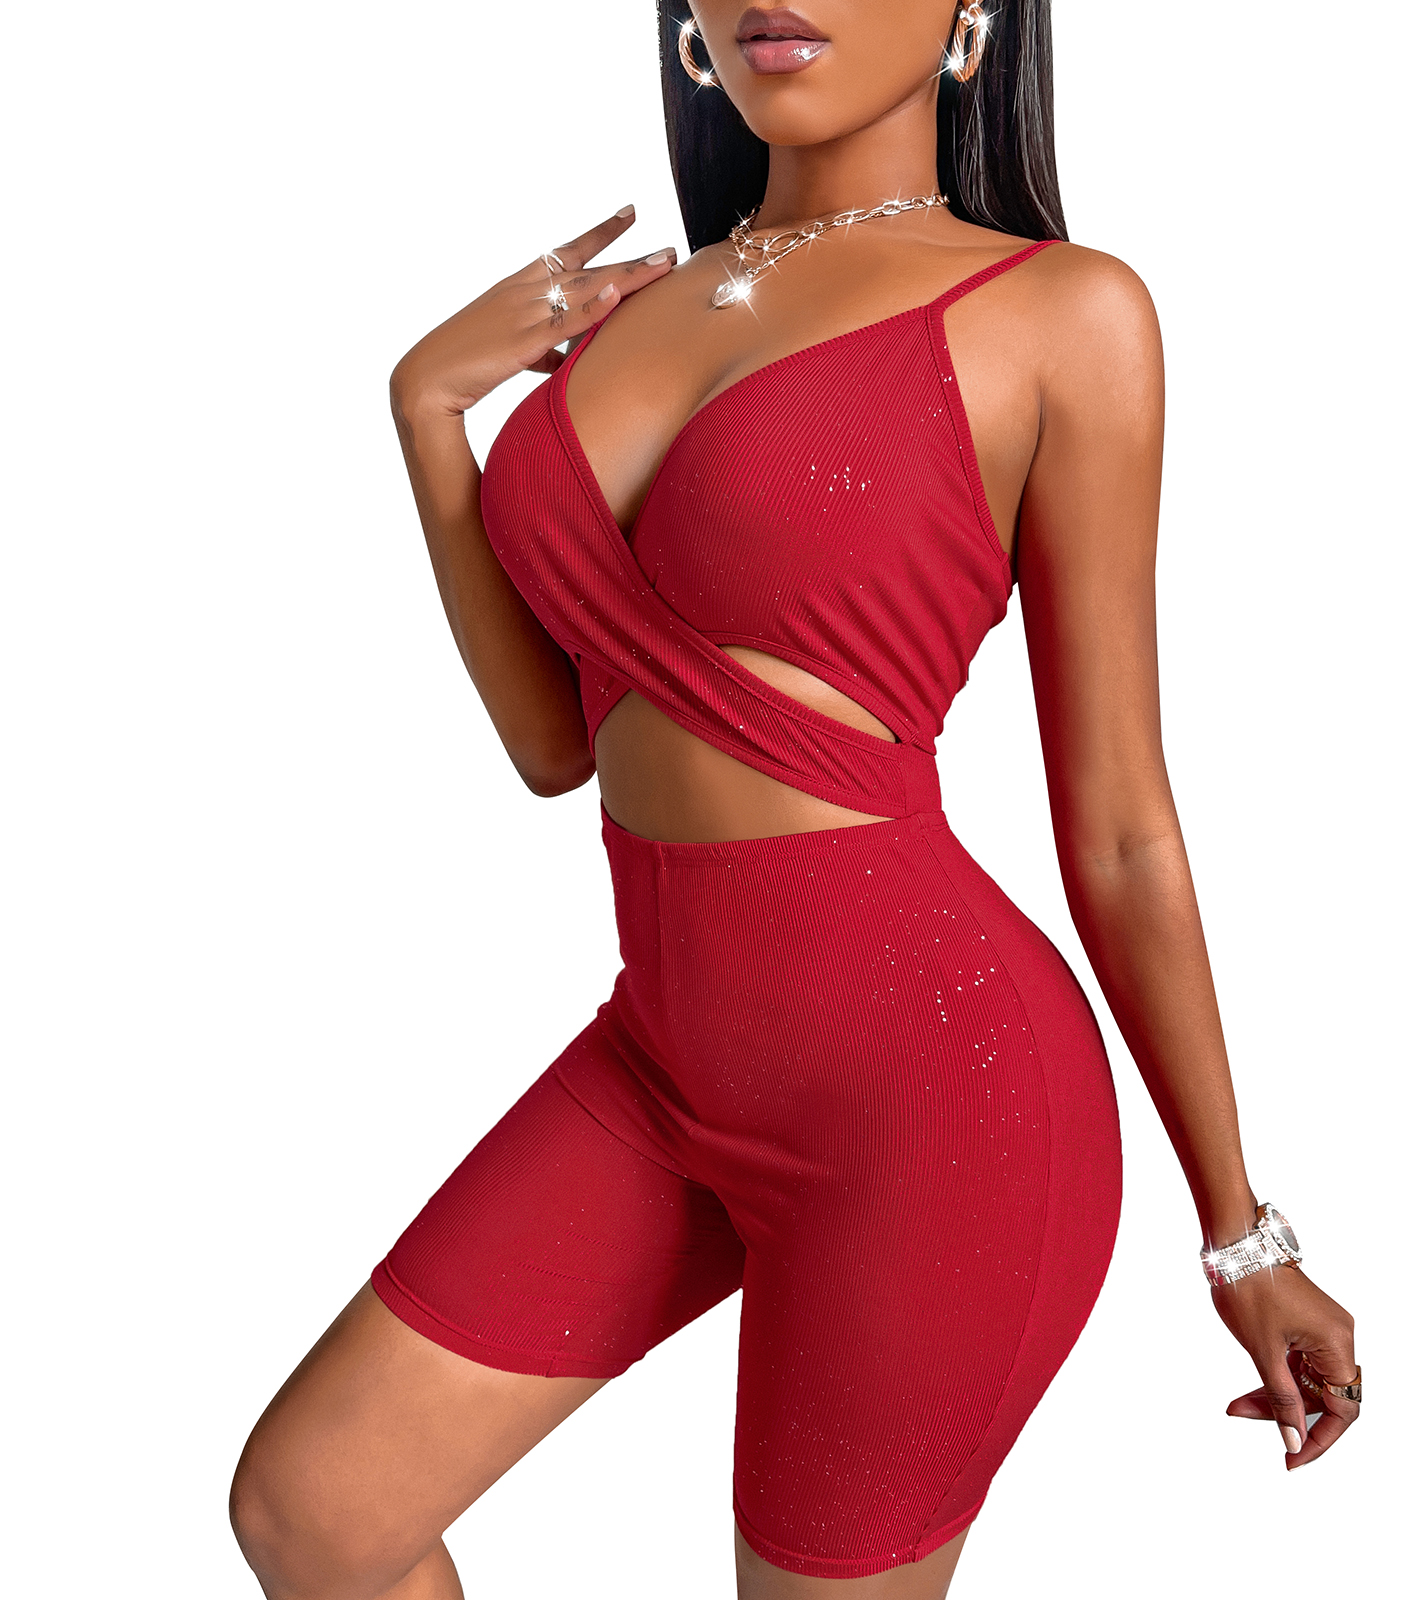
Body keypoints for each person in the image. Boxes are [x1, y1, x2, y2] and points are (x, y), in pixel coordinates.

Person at [230, 4, 1360, 1596]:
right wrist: (428, 413)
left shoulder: (1064, 313)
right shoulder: (631, 314)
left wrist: (1242, 1233)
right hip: (663, 1063)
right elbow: (558, 746)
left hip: (934, 1102)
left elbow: (1118, 823)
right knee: (317, 1510)